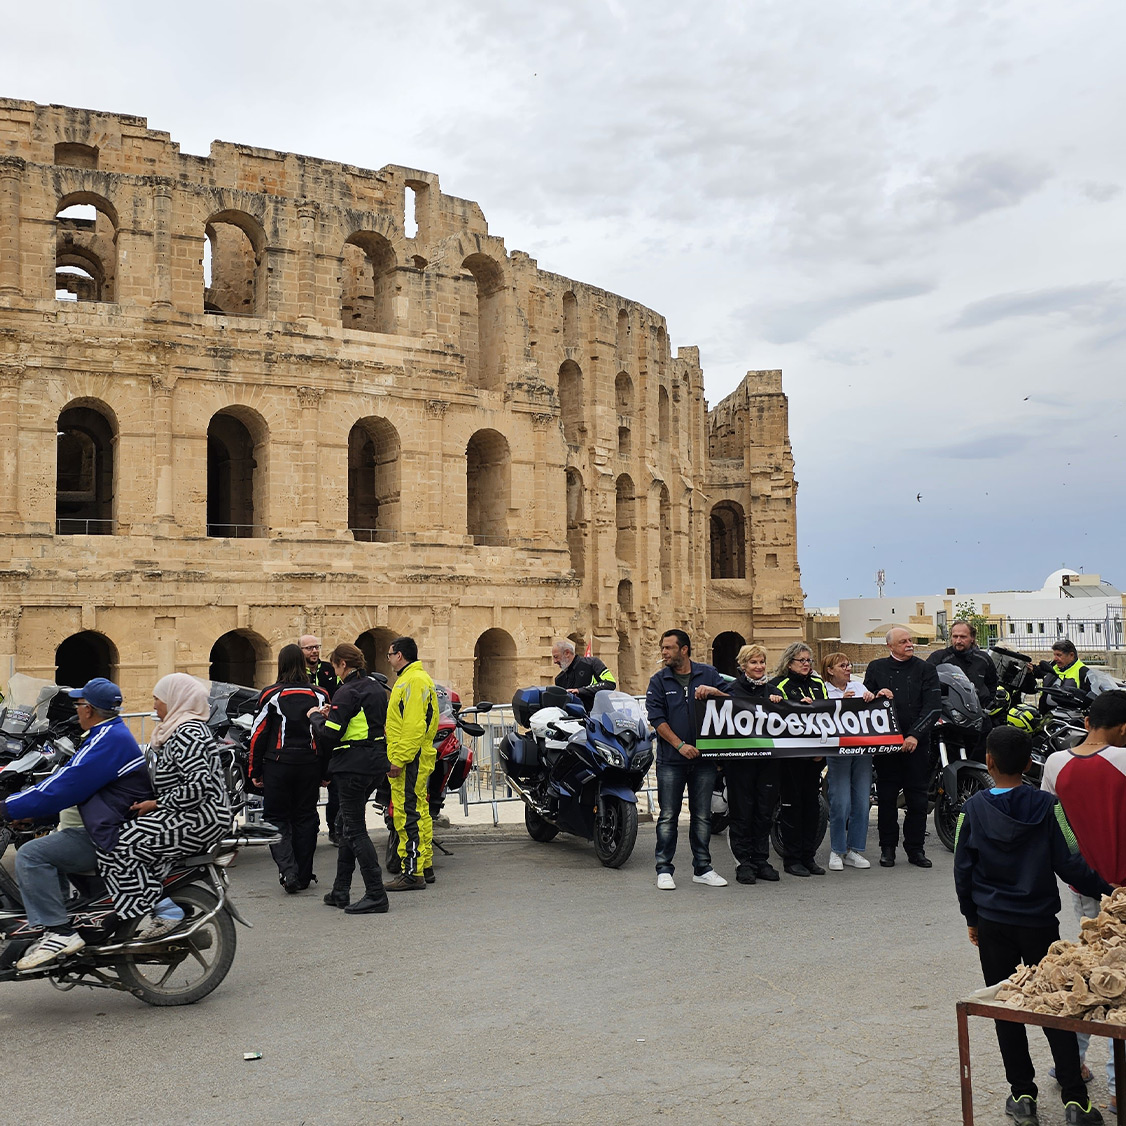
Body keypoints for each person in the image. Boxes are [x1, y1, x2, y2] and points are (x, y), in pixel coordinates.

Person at [954, 726, 1109, 1126]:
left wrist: (972, 918)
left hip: (992, 925)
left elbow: (962, 870)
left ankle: (1022, 1095)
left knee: (1009, 1007)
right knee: (1057, 1006)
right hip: (1039, 924)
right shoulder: (1047, 806)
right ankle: (1077, 1102)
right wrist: (1110, 891)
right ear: (1028, 764)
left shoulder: (972, 810)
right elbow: (1071, 861)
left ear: (988, 761)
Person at [0, 678, 154, 971]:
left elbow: (65, 786)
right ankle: (57, 920)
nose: (77, 709)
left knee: (32, 855)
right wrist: (28, 809)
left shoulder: (108, 741)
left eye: (80, 703)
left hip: (107, 832)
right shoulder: (107, 734)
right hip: (104, 822)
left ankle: (58, 932)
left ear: (90, 710)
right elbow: (67, 782)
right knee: (40, 847)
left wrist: (7, 808)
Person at [1042, 689, 1126, 1108]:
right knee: (1122, 989)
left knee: (1088, 975)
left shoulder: (1056, 764)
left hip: (1084, 888)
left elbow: (1058, 824)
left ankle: (1070, 1063)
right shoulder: (1125, 761)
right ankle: (1118, 1088)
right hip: (1124, 890)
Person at [98, 673, 231, 938]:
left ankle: (161, 910)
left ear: (176, 701)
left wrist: (157, 804)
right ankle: (153, 903)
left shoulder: (188, 733)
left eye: (158, 699)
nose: (155, 705)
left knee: (118, 843)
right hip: (184, 812)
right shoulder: (173, 731)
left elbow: (197, 786)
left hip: (201, 818)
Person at [308, 643, 390, 914]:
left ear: (343, 663)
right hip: (375, 764)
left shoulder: (347, 690)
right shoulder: (376, 687)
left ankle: (376, 893)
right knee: (345, 823)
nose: (335, 672)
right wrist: (336, 712)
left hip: (353, 765)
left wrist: (315, 719)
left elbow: (330, 734)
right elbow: (361, 721)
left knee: (354, 829)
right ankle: (340, 890)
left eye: (334, 666)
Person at [644, 629, 728, 890]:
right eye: (662, 648)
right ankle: (664, 869)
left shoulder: (709, 674)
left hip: (703, 761)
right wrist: (680, 745)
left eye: (668, 648)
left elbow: (735, 703)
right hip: (671, 760)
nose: (664, 653)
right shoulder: (659, 681)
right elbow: (656, 719)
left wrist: (715, 691)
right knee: (668, 815)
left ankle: (703, 868)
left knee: (702, 816)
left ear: (684, 650)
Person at [249, 644, 331, 894]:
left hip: (278, 764)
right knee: (306, 818)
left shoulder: (270, 694)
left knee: (276, 818)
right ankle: (304, 874)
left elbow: (258, 735)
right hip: (310, 763)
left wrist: (254, 770)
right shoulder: (320, 694)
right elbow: (326, 734)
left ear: (280, 664)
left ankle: (288, 871)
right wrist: (325, 771)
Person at [863, 627, 942, 868]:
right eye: (904, 641)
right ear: (890, 646)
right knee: (887, 799)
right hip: (887, 747)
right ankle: (887, 848)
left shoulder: (925, 669)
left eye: (910, 640)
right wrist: (875, 695)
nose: (910, 644)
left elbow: (933, 707)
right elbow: (863, 701)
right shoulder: (876, 668)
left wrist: (915, 735)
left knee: (917, 800)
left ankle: (915, 849)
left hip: (916, 745)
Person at [720, 644, 782, 884]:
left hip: (767, 762)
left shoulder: (774, 691)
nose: (759, 667)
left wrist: (781, 704)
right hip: (740, 763)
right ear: (743, 665)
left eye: (762, 662)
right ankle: (743, 862)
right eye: (753, 662)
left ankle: (760, 859)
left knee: (764, 811)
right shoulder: (731, 691)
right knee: (742, 812)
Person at [383, 637, 441, 891]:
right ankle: (423, 864)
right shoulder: (412, 679)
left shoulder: (413, 680)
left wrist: (398, 759)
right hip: (415, 755)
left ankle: (412, 871)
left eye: (390, 654)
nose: (388, 658)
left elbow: (413, 726)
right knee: (418, 809)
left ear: (400, 655)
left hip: (410, 757)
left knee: (408, 813)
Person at [770, 642, 829, 877]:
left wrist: (823, 750)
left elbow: (828, 715)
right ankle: (792, 858)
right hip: (790, 757)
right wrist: (795, 706)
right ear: (789, 662)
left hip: (815, 755)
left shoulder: (818, 684)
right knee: (792, 807)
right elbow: (776, 717)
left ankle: (809, 856)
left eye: (808, 660)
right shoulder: (778, 684)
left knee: (812, 807)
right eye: (801, 660)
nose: (806, 664)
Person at [821, 653, 875, 872]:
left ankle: (855, 849)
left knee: (862, 800)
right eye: (842, 665)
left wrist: (878, 696)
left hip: (862, 749)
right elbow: (819, 713)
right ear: (830, 670)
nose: (848, 668)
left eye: (849, 664)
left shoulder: (859, 687)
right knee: (840, 800)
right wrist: (840, 703)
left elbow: (874, 705)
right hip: (838, 749)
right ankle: (837, 849)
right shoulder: (823, 690)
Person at [927, 620, 998, 760]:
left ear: (972, 638)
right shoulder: (939, 657)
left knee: (981, 759)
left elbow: (992, 683)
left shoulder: (983, 659)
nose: (958, 640)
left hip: (978, 718)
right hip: (951, 719)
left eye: (963, 637)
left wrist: (987, 703)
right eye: (955, 636)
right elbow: (926, 681)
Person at [299, 634, 340, 842]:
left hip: (329, 731)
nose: (314, 651)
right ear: (300, 651)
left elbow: (341, 695)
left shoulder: (329, 670)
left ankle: (335, 830)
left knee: (334, 783)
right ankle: (310, 831)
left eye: (316, 647)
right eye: (309, 648)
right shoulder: (296, 673)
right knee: (309, 786)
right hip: (307, 735)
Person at [551, 638, 617, 710]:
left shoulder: (592, 663)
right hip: (576, 719)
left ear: (567, 653)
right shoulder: (559, 679)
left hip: (601, 715)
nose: (554, 661)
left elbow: (610, 683)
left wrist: (581, 690)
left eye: (556, 657)